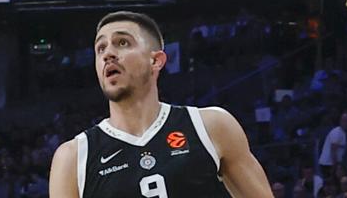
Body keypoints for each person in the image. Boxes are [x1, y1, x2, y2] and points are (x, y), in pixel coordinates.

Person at [48, 11, 274, 198]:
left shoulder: (211, 126)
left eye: (122, 42)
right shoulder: (73, 157)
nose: (108, 54)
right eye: (101, 48)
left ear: (155, 61)